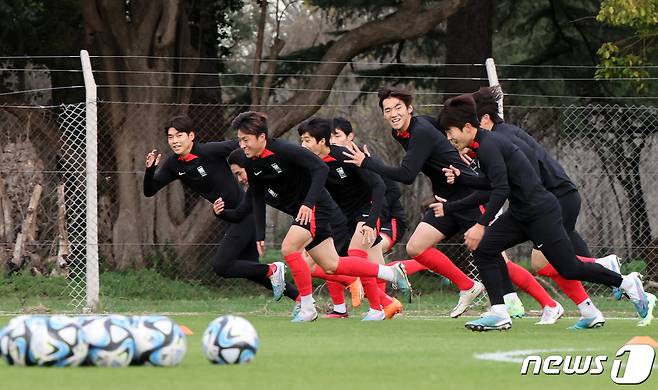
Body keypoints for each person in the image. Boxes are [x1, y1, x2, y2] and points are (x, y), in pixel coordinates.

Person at [439, 94, 655, 331]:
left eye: (451, 132)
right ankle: (499, 313)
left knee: (569, 268)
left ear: (468, 127)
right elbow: (491, 185)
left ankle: (626, 282)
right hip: (521, 214)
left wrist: (481, 225)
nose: (449, 138)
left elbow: (500, 189)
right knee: (484, 250)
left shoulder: (490, 145)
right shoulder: (484, 145)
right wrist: (457, 190)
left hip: (540, 213)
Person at [216, 111, 411, 322]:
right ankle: (391, 274)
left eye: (246, 140)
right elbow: (255, 196)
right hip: (311, 211)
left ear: (261, 137)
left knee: (289, 247)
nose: (242, 145)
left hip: (318, 206)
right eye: (240, 140)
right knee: (332, 265)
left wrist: (309, 203)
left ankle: (308, 307)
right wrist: (259, 234)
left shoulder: (285, 149)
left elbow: (320, 169)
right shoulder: (252, 162)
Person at [343, 87, 493, 318]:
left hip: (468, 195)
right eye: (387, 109)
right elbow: (440, 126)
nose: (393, 113)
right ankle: (468, 286)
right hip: (445, 200)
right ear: (383, 114)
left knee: (490, 253)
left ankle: (514, 304)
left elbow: (407, 175)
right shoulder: (405, 130)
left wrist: (367, 163)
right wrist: (453, 145)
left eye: (398, 108)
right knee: (416, 248)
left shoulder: (420, 130)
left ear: (410, 109)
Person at [143, 115, 298, 305]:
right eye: (170, 137)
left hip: (246, 214)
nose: (175, 141)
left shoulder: (209, 150)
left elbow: (242, 145)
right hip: (233, 218)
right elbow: (149, 191)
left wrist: (257, 165)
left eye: (179, 135)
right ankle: (303, 301)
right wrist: (150, 171)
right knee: (254, 272)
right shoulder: (173, 164)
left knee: (222, 266)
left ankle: (274, 269)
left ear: (191, 136)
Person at [226, 148, 365, 319]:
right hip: (307, 221)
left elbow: (315, 176)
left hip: (321, 217)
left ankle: (310, 305)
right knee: (323, 266)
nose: (240, 179)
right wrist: (220, 212)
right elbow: (242, 212)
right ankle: (372, 284)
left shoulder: (276, 171)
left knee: (296, 253)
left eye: (240, 173)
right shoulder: (259, 186)